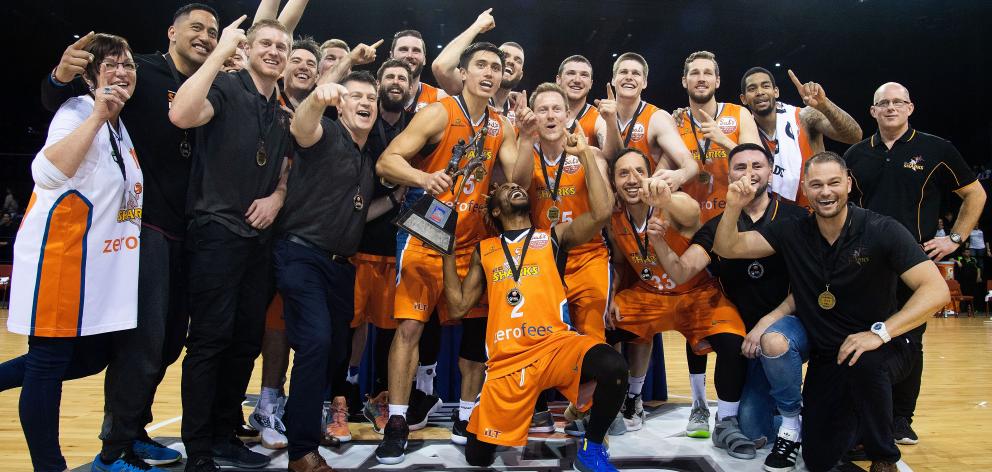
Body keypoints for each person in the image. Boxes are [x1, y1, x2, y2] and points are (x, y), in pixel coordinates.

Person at [40, 4, 221, 468]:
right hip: (144, 227)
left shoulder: (212, 85)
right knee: (141, 344)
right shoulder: (140, 70)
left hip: (190, 231)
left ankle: (134, 430)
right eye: (196, 28)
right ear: (172, 32)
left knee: (166, 345)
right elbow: (61, 98)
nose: (204, 37)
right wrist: (60, 77)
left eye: (212, 32)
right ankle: (113, 446)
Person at [712, 151, 950, 472]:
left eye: (834, 183)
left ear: (848, 184)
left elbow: (936, 290)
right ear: (806, 191)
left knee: (864, 363)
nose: (826, 192)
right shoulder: (794, 231)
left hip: (885, 347)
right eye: (817, 185)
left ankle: (884, 456)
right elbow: (729, 248)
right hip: (829, 355)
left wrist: (878, 333)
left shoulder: (881, 229)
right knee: (819, 458)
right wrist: (733, 206)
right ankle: (851, 431)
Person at [442, 131, 628, 471]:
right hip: (508, 361)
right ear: (495, 211)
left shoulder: (553, 238)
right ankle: (493, 409)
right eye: (503, 190)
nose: (513, 187)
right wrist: (447, 253)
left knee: (614, 367)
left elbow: (602, 212)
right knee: (478, 459)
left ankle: (593, 446)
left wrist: (585, 154)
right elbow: (457, 307)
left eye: (517, 187)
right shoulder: (485, 252)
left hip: (556, 345)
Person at [2, 33, 144, 472]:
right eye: (111, 65)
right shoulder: (77, 112)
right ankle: (50, 465)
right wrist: (96, 116)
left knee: (94, 357)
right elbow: (45, 172)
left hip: (93, 266)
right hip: (59, 258)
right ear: (88, 76)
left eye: (129, 65)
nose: (122, 72)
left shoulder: (121, 124)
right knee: (48, 364)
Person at [373, 41, 519, 464]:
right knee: (410, 328)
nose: (490, 73)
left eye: (497, 67)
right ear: (465, 73)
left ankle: (469, 416)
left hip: (475, 240)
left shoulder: (501, 125)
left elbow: (519, 177)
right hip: (429, 232)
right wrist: (423, 176)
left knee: (475, 335)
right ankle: (398, 421)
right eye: (482, 66)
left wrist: (525, 139)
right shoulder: (438, 112)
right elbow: (387, 161)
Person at [169, 16, 293, 472]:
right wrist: (221, 51)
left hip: (257, 238)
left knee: (245, 341)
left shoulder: (280, 108)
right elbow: (181, 114)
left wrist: (278, 197)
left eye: (282, 45)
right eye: (266, 43)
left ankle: (224, 432)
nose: (275, 51)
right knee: (210, 340)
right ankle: (199, 447)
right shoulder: (224, 87)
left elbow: (284, 171)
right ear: (248, 47)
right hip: (216, 230)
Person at [843, 82, 986, 444]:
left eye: (897, 102)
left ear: (910, 107)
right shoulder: (856, 155)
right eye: (883, 103)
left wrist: (954, 239)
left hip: (915, 262)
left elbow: (974, 193)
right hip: (865, 261)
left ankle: (901, 419)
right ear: (873, 112)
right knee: (868, 334)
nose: (890, 108)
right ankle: (866, 412)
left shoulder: (937, 148)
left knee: (909, 339)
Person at [605, 149, 753, 459]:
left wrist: (666, 198)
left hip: (696, 293)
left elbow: (692, 214)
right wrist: (612, 295)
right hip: (651, 295)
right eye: (623, 174)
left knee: (732, 341)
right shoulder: (614, 219)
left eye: (637, 171)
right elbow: (619, 262)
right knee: (604, 325)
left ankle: (724, 419)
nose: (631, 179)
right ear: (614, 182)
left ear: (650, 175)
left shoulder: (671, 204)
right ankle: (627, 399)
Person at [276, 71, 379, 472]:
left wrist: (398, 200)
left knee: (333, 351)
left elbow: (355, 212)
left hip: (340, 267)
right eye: (355, 96)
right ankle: (300, 451)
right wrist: (318, 99)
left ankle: (302, 422)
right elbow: (301, 127)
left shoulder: (366, 160)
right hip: (301, 255)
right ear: (341, 104)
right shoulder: (327, 135)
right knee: (316, 343)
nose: (365, 102)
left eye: (370, 96)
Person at [684, 143, 809, 471]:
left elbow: (808, 284)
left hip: (790, 324)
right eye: (740, 167)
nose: (749, 173)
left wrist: (767, 321)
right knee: (753, 428)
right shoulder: (718, 224)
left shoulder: (796, 216)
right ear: (729, 174)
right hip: (744, 340)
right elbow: (684, 270)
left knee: (775, 343)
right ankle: (789, 405)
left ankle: (792, 417)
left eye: (757, 165)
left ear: (770, 171)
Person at [511, 83, 611, 430]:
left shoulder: (592, 154)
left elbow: (605, 210)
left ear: (569, 114)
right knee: (536, 332)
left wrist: (584, 154)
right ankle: (536, 405)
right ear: (534, 115)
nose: (551, 115)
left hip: (587, 255)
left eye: (557, 109)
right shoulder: (527, 149)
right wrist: (524, 140)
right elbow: (518, 191)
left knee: (590, 332)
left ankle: (591, 411)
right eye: (543, 109)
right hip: (540, 259)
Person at [248, 36, 322, 452]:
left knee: (293, 327)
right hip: (259, 226)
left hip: (302, 232)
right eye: (297, 60)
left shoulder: (318, 113)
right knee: (264, 327)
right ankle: (266, 404)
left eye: (312, 63)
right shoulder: (265, 99)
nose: (304, 67)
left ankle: (273, 404)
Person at [739, 67, 862, 208]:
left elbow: (855, 136)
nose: (760, 92)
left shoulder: (804, 116)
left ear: (776, 91)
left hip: (815, 211)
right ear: (743, 99)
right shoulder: (743, 130)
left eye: (765, 86)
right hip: (772, 217)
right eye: (752, 89)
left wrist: (824, 104)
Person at [673, 50, 760, 222]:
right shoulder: (676, 121)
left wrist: (723, 141)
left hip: (736, 216)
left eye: (708, 73)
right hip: (692, 220)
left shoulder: (738, 114)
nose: (701, 78)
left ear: (717, 81)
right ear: (685, 81)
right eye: (695, 73)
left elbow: (758, 166)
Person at [594, 52, 696, 191]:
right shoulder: (600, 118)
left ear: (645, 83)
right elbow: (611, 159)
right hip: (615, 203)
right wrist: (611, 121)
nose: (629, 77)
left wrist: (679, 176)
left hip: (647, 201)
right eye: (623, 72)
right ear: (613, 79)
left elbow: (690, 164)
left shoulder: (657, 118)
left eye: (636, 73)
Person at [432, 8, 525, 123]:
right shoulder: (471, 87)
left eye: (518, 60)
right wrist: (477, 27)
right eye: (505, 56)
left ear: (521, 75)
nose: (510, 61)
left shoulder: (519, 111)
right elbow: (441, 67)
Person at [388, 29, 448, 112]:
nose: (409, 55)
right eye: (404, 49)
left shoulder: (440, 98)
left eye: (416, 50)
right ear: (391, 56)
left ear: (424, 59)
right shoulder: (374, 95)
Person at [555, 55, 600, 146]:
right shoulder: (541, 115)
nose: (577, 80)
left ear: (591, 84)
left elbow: (612, 155)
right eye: (571, 73)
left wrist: (611, 123)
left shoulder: (599, 118)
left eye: (584, 75)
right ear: (558, 80)